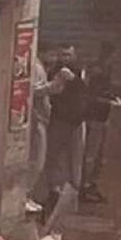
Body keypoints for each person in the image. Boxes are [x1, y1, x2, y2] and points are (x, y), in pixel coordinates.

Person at [42, 44, 87, 216]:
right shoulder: (54, 72)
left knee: (75, 160)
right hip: (60, 121)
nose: (66, 58)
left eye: (69, 54)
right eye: (63, 55)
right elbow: (49, 91)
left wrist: (74, 80)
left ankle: (72, 197)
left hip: (77, 123)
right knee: (53, 158)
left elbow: (85, 91)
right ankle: (54, 192)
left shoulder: (79, 72)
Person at [29, 44, 71, 214]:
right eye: (52, 54)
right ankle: (26, 195)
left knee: (39, 159)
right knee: (36, 160)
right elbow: (34, 91)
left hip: (42, 119)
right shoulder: (36, 67)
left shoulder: (42, 68)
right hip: (36, 119)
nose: (55, 59)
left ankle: (28, 194)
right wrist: (55, 83)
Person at [80, 41, 121, 204]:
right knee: (91, 154)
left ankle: (91, 184)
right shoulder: (98, 72)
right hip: (95, 117)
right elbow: (91, 95)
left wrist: (111, 98)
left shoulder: (106, 71)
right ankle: (85, 185)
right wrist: (108, 102)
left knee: (98, 156)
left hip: (102, 117)